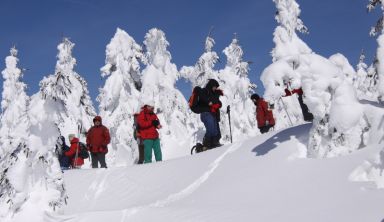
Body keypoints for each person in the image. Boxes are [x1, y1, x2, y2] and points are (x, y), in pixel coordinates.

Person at [198, 79, 223, 148]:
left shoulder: (213, 93)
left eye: (216, 87)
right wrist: (212, 102)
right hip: (205, 113)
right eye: (215, 86)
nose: (215, 88)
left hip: (211, 114)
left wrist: (217, 103)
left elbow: (219, 103)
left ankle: (213, 144)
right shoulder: (205, 91)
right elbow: (204, 99)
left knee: (215, 131)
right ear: (211, 85)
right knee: (211, 129)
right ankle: (206, 145)